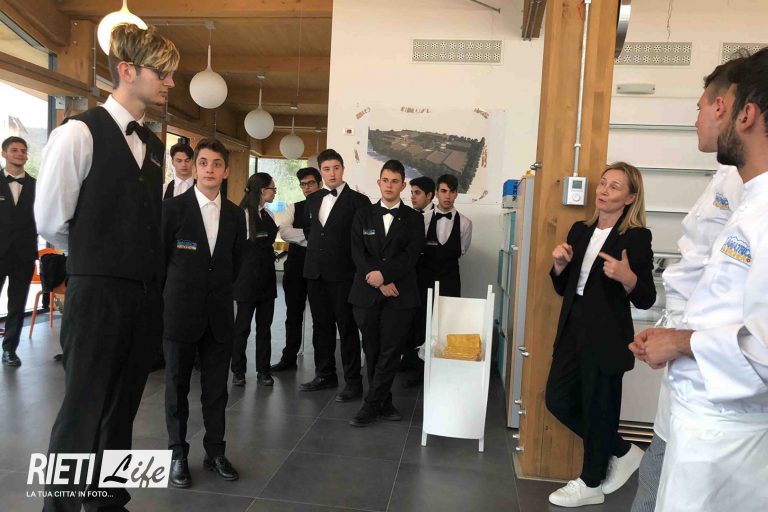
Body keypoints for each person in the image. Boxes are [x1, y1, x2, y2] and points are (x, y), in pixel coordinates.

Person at [35, 23, 179, 511]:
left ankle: (108, 501)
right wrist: (98, 257)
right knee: (83, 405)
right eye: (162, 73)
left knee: (124, 407)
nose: (170, 83)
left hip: (143, 294)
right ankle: (59, 507)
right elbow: (51, 220)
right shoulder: (78, 132)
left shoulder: (153, 145)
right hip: (97, 291)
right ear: (127, 70)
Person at [630, 50, 768, 512]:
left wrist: (681, 342)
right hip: (703, 416)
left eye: (719, 106)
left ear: (744, 114)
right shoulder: (751, 199)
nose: (709, 117)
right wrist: (673, 336)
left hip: (729, 432)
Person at [545, 162, 656, 508]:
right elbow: (564, 287)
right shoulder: (580, 230)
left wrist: (628, 277)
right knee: (557, 400)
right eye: (603, 183)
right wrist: (559, 266)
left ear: (630, 198)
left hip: (606, 335)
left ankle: (591, 482)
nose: (604, 190)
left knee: (598, 409)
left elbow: (646, 297)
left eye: (614, 187)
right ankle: (621, 450)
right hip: (571, 328)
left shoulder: (636, 237)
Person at [162, 138, 246, 488]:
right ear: (194, 168)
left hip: (219, 315)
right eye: (203, 163)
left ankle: (215, 452)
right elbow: (160, 263)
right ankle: (177, 454)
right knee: (176, 387)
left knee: (216, 390)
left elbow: (236, 262)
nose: (209, 169)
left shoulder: (235, 215)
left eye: (216, 164)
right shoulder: (172, 209)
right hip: (180, 313)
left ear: (226, 171)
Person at [348, 160, 425, 426]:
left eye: (395, 181)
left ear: (403, 185)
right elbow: (357, 251)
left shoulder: (414, 219)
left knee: (391, 351)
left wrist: (386, 275)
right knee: (371, 349)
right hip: (367, 293)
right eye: (385, 180)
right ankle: (384, 401)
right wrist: (379, 280)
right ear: (378, 182)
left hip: (400, 295)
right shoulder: (363, 215)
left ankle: (370, 405)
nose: (389, 185)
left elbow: (411, 255)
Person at [301, 149, 370, 401]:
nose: (332, 173)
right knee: (321, 327)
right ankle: (325, 374)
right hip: (315, 272)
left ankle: (353, 382)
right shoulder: (313, 199)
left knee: (347, 328)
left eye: (336, 168)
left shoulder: (359, 201)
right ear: (321, 171)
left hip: (344, 274)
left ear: (343, 169)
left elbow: (363, 242)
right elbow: (311, 232)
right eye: (326, 169)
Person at [272, 167, 321, 372]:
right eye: (303, 184)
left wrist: (302, 236)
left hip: (319, 267)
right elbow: (285, 233)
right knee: (293, 314)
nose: (307, 187)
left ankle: (322, 364)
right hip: (295, 267)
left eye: (311, 183)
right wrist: (315, 236)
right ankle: (288, 358)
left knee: (320, 317)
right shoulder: (294, 207)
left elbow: (332, 236)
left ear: (319, 184)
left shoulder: (328, 207)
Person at [231, 172, 278, 387]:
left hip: (267, 280)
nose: (274, 192)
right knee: (242, 327)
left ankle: (263, 371)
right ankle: (238, 371)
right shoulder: (241, 215)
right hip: (246, 280)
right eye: (272, 189)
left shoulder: (268, 215)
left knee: (265, 328)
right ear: (262, 190)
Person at [1, 136, 36, 367]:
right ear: (4, 153)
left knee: (17, 305)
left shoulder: (37, 185)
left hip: (24, 255)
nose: (20, 154)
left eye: (23, 151)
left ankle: (9, 350)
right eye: (14, 150)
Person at [400, 175, 436, 386]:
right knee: (408, 320)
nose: (413, 197)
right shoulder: (407, 216)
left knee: (425, 322)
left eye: (417, 193)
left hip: (430, 278)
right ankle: (408, 359)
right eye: (412, 192)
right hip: (408, 276)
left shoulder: (439, 217)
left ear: (429, 195)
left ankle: (422, 368)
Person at [421, 174, 472, 298]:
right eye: (443, 191)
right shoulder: (423, 219)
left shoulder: (465, 223)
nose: (447, 196)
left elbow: (462, 250)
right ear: (437, 193)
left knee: (450, 311)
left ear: (456, 194)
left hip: (451, 281)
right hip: (425, 279)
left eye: (452, 192)